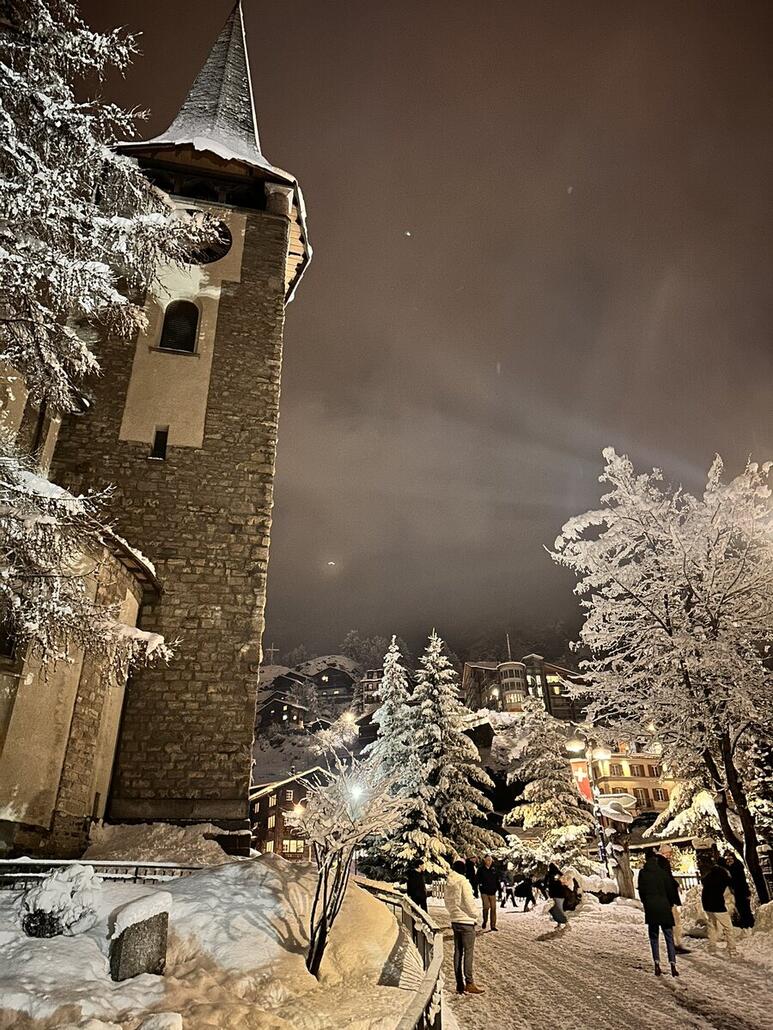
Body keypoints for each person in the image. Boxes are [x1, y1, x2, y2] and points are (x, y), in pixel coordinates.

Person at [445, 859, 484, 995]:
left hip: (455, 920)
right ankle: (469, 982)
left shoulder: (449, 883)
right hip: (466, 921)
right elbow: (468, 902)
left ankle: (459, 984)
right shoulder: (463, 882)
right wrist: (476, 915)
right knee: (468, 953)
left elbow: (447, 902)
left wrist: (453, 913)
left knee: (458, 952)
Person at [637, 849, 679, 977]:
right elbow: (670, 890)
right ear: (655, 859)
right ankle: (673, 964)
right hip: (664, 906)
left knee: (654, 937)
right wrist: (669, 903)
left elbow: (641, 892)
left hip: (651, 908)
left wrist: (646, 903)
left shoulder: (643, 873)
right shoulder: (662, 872)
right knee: (669, 936)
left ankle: (657, 963)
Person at [657, 844, 690, 954]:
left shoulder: (655, 863)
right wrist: (675, 886)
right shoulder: (663, 863)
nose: (670, 855)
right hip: (668, 898)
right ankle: (676, 945)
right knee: (674, 922)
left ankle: (674, 944)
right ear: (665, 853)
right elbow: (668, 878)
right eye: (669, 853)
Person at [702, 853, 737, 956]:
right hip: (717, 904)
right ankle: (732, 950)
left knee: (712, 925)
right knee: (728, 927)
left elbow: (703, 881)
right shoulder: (724, 874)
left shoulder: (710, 873)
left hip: (706, 903)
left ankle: (712, 946)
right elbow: (732, 885)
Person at [723, 852, 755, 929]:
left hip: (741, 890)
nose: (728, 861)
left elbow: (739, 880)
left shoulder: (736, 867)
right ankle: (747, 923)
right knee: (741, 907)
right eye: (727, 859)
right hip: (738, 891)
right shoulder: (732, 867)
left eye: (730, 859)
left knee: (744, 907)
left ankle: (748, 923)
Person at [477, 853, 500, 930]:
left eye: (490, 860)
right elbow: (477, 879)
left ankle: (493, 925)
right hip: (484, 891)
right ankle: (485, 920)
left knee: (493, 908)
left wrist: (499, 890)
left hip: (492, 891)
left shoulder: (494, 869)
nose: (489, 862)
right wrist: (480, 886)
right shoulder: (481, 869)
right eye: (487, 860)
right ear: (485, 860)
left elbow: (497, 880)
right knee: (486, 907)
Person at [545, 862, 569, 929]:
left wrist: (547, 889)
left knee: (559, 909)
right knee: (558, 909)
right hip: (560, 893)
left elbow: (545, 884)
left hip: (555, 894)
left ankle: (565, 923)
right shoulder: (558, 874)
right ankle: (560, 923)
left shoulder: (549, 875)